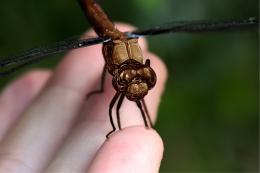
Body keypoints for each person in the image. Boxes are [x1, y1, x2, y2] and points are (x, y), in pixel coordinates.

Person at [0, 23, 167, 173]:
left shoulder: (132, 69)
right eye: (126, 78)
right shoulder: (113, 62)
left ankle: (146, 127)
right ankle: (117, 130)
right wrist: (114, 131)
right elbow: (113, 108)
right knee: (114, 106)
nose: (137, 87)